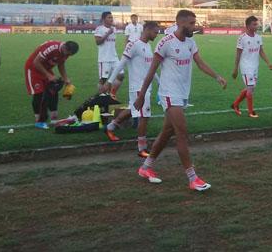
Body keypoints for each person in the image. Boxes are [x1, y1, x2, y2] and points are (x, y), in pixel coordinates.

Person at [133, 10, 228, 191]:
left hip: (182, 94)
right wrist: (141, 95)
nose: (195, 26)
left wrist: (217, 76)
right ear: (181, 23)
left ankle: (145, 167)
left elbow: (200, 63)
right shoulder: (165, 43)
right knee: (182, 133)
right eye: (191, 23)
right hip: (169, 94)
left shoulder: (191, 43)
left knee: (167, 132)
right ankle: (193, 178)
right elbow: (151, 71)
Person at [102, 22, 160, 157]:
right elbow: (121, 63)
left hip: (146, 86)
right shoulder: (133, 44)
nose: (157, 35)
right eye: (155, 32)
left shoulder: (148, 46)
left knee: (132, 109)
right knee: (144, 116)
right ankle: (142, 148)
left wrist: (160, 83)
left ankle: (110, 127)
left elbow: (151, 68)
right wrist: (110, 81)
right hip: (138, 87)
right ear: (147, 30)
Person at [24, 40, 79, 129]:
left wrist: (66, 78)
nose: (67, 56)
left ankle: (53, 117)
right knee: (39, 93)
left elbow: (61, 64)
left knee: (53, 90)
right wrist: (48, 75)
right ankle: (39, 121)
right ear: (64, 47)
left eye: (69, 55)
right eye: (67, 54)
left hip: (45, 68)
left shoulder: (66, 53)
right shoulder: (51, 48)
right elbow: (36, 62)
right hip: (33, 68)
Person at [231, 16, 272, 118]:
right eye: (254, 24)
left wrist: (268, 63)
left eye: (257, 24)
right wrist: (235, 68)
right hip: (246, 67)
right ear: (248, 26)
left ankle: (235, 104)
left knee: (251, 88)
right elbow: (238, 54)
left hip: (255, 67)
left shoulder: (258, 37)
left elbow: (261, 51)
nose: (257, 26)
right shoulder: (242, 38)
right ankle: (251, 112)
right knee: (250, 88)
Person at [94, 11, 123, 96]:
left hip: (114, 57)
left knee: (121, 75)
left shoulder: (114, 29)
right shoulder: (100, 29)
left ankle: (112, 93)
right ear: (104, 19)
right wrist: (107, 34)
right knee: (103, 79)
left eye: (112, 17)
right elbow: (98, 42)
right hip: (104, 58)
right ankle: (101, 96)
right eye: (109, 17)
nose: (111, 19)